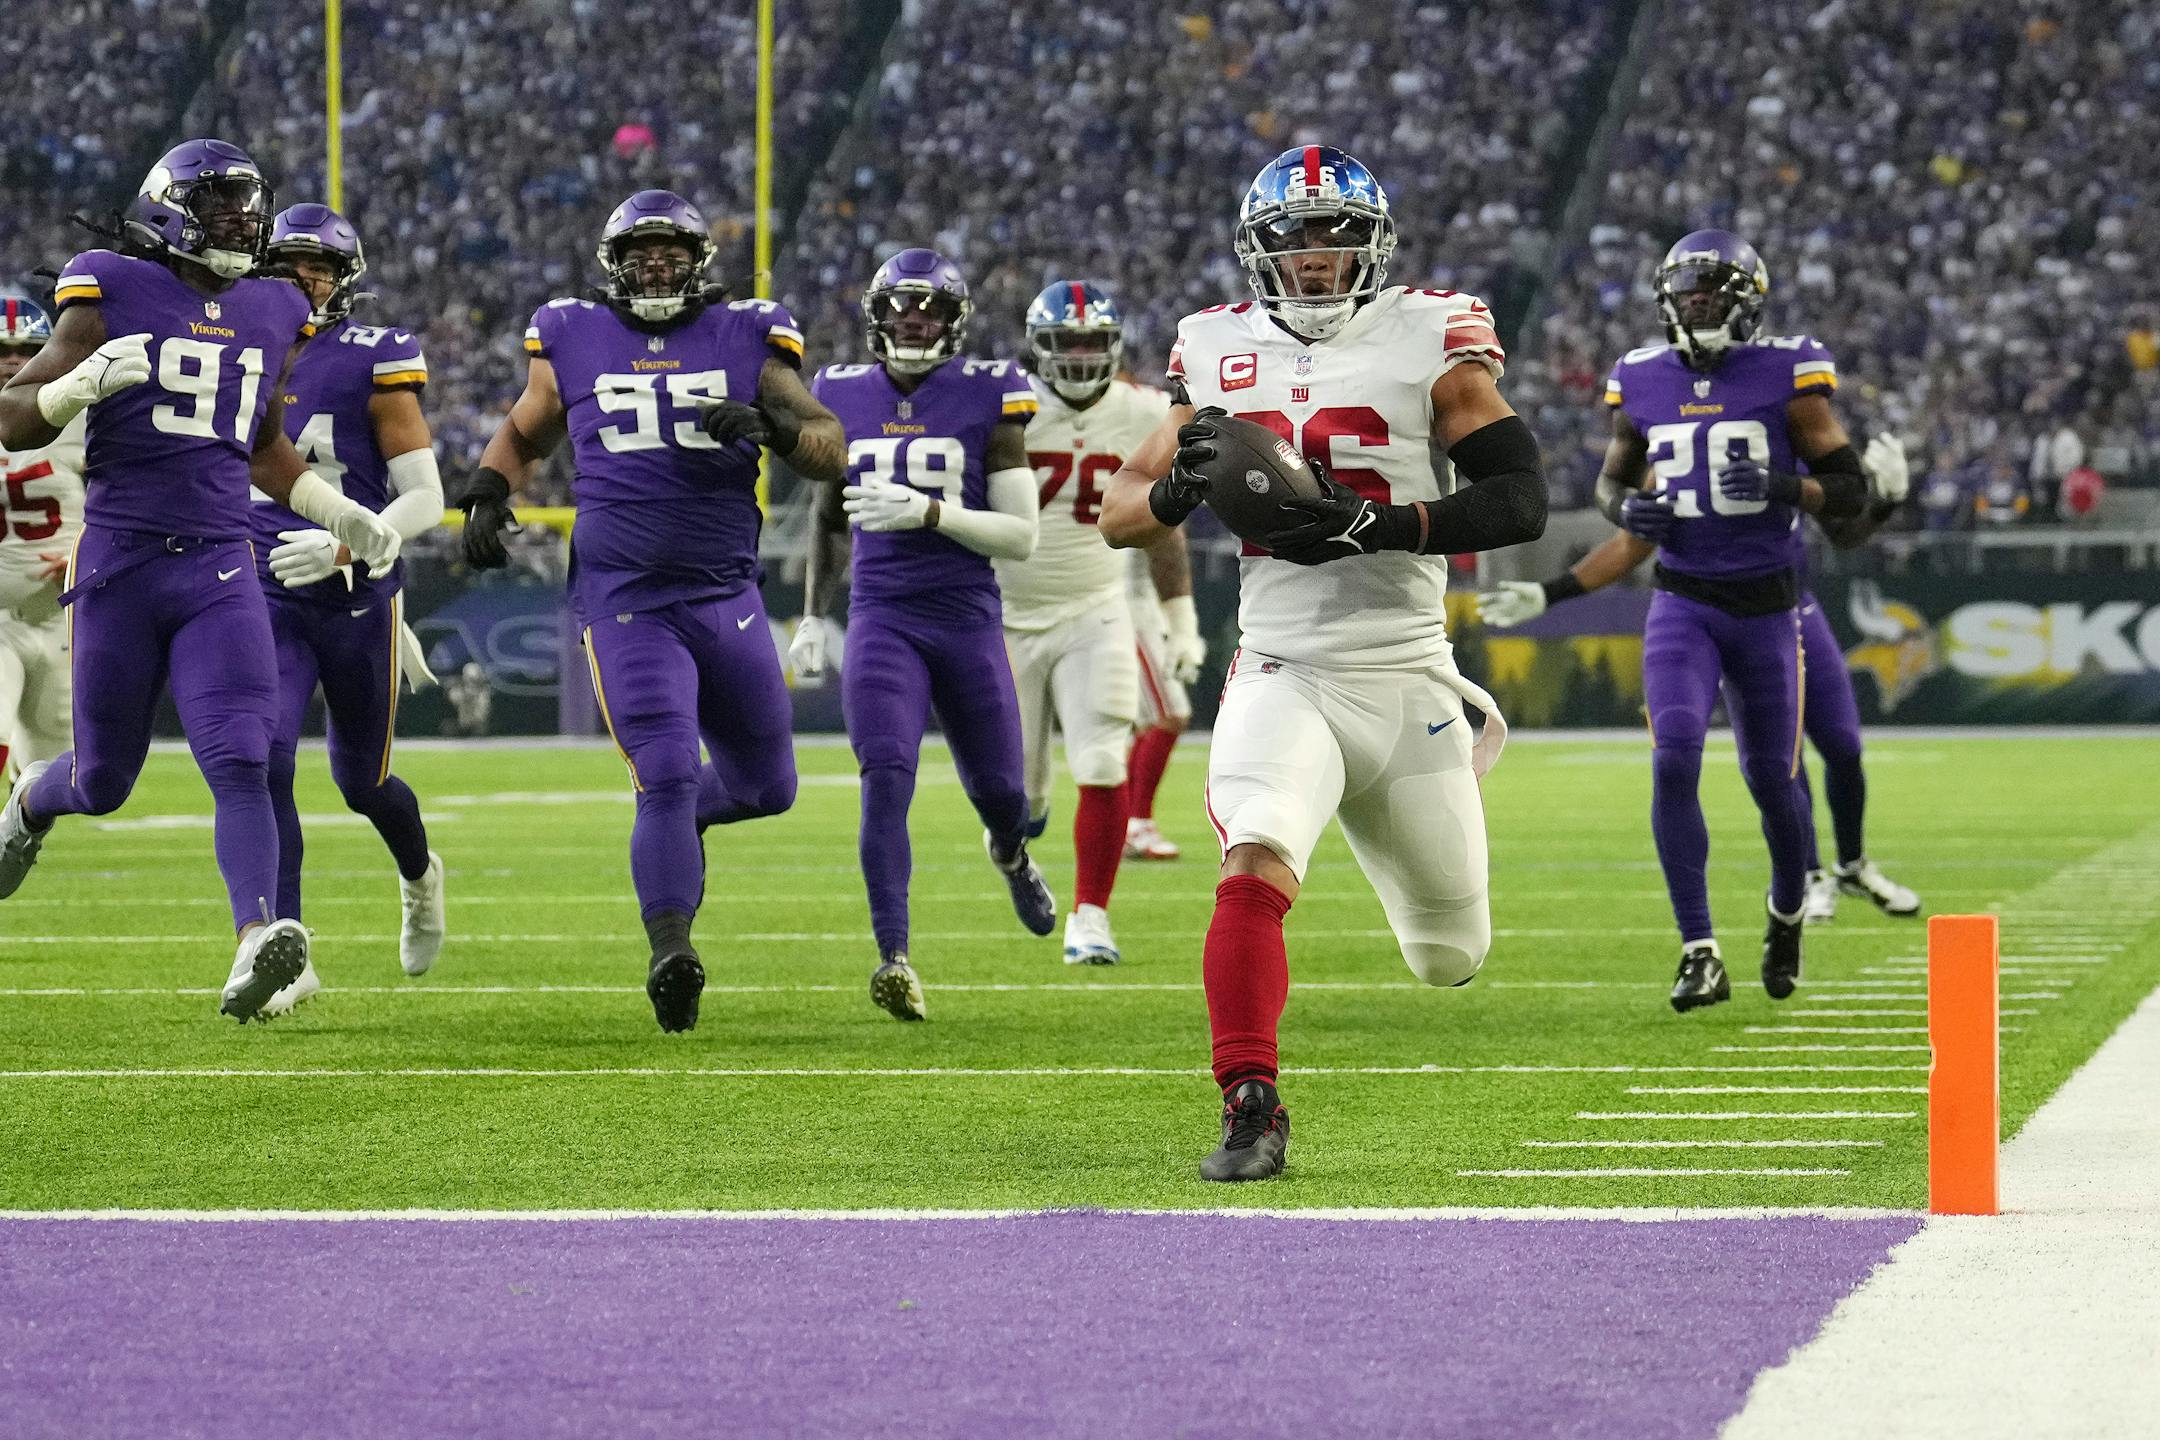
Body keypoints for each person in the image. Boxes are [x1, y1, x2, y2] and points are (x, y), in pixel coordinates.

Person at [1099, 146, 1548, 1182]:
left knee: (1451, 957)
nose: (1317, 253)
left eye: (1339, 233)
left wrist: (1377, 522)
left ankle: (1379, 827)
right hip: (1285, 666)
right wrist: (1172, 498)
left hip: (1407, 678)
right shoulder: (1213, 347)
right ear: (1264, 248)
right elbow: (1122, 504)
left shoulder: (1432, 332)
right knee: (1252, 858)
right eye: (1299, 235)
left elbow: (1517, 497)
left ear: (1372, 244)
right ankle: (1249, 1104)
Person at [0, 138, 402, 1023]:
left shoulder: (273, 305)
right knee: (105, 781)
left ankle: (255, 940)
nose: (239, 220)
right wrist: (77, 389)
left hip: (223, 564)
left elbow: (257, 442)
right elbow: (14, 417)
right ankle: (32, 797)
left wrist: (337, 512)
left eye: (247, 207)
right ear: (168, 207)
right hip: (122, 562)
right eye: (219, 204)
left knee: (244, 756)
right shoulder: (109, 279)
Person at [461, 189, 845, 1033]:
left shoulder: (748, 333)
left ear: (699, 263)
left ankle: (673, 826)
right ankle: (671, 946)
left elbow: (829, 444)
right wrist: (490, 487)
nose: (657, 269)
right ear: (614, 268)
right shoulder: (571, 330)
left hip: (724, 591)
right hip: (624, 597)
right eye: (641, 257)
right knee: (665, 768)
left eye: (671, 254)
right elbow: (528, 429)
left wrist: (774, 432)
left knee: (770, 786)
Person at [1574, 229, 1871, 1012]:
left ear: (1743, 302)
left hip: (1770, 606)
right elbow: (1609, 486)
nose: (1695, 305)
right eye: (1686, 294)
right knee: (1673, 757)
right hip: (1683, 599)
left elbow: (1851, 489)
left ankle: (1784, 915)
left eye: (1709, 293)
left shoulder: (1788, 373)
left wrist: (1785, 487)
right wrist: (1625, 507)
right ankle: (1699, 948)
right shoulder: (1639, 377)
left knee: (1773, 780)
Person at [1480, 433, 1922, 925]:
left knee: (1843, 744)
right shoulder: (1679, 449)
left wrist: (1886, 502)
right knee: (1781, 760)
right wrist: (1552, 591)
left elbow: (1844, 530)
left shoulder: (1780, 434)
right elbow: (1630, 537)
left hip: (1792, 607)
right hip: (1718, 615)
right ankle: (1810, 874)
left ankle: (1852, 865)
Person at [798, 248, 1055, 1021]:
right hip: (882, 617)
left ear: (954, 322)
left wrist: (931, 513)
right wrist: (814, 612)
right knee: (885, 776)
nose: (916, 321)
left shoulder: (989, 391)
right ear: (877, 319)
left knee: (1004, 794)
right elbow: (827, 515)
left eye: (931, 310)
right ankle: (894, 956)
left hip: (967, 617)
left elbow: (1021, 536)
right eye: (903, 309)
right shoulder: (839, 391)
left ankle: (1009, 852)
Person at [250, 204, 448, 1015]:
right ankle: (283, 950)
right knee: (266, 764)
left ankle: (421, 876)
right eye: (292, 264)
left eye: (321, 268)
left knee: (361, 782)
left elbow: (428, 499)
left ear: (345, 282)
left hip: (354, 594)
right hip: (258, 583)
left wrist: (345, 547)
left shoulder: (373, 356)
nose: (306, 280)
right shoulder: (231, 346)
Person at [998, 280, 1196, 963]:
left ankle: (1091, 918)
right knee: (1014, 799)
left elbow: (1164, 518)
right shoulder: (1005, 406)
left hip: (1097, 608)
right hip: (1008, 616)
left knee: (1103, 760)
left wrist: (1180, 617)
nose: (1081, 356)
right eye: (1067, 343)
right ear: (1040, 347)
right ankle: (1020, 842)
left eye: (1092, 342)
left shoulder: (1144, 410)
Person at [0, 297, 82, 788]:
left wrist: (89, 547)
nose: (13, 361)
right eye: (1, 350)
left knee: (54, 769)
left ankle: (13, 848)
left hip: (62, 614)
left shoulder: (79, 419)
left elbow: (133, 499)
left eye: (27, 348)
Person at [1122, 545, 1206, 862]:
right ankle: (1137, 823)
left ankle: (1128, 823)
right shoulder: (1144, 495)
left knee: (1148, 724)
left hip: (1141, 609)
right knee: (1170, 715)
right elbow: (1167, 549)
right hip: (1133, 611)